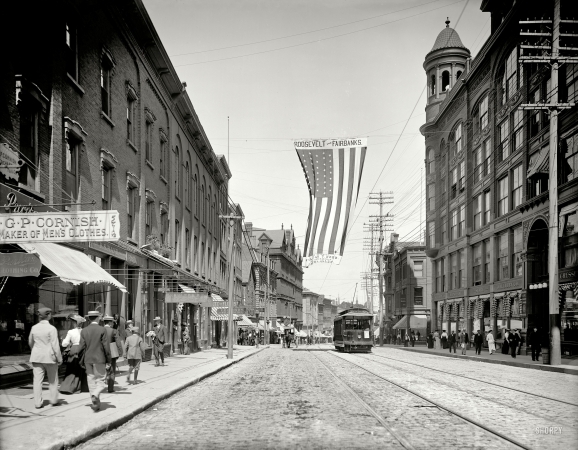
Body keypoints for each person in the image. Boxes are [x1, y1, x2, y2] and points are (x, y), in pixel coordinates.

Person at [29, 308, 62, 408]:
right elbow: (55, 345)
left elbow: (30, 342)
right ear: (48, 315)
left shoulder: (34, 328)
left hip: (36, 357)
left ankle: (38, 403)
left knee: (37, 381)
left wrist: (35, 350)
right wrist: (59, 358)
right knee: (53, 380)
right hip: (50, 358)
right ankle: (53, 400)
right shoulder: (52, 329)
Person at [79, 311, 111, 412]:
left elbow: (81, 347)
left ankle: (96, 404)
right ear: (97, 318)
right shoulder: (102, 329)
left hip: (88, 359)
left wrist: (81, 360)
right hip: (99, 358)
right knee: (101, 380)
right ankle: (95, 394)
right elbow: (106, 346)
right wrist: (108, 360)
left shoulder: (84, 330)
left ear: (89, 319)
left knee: (91, 380)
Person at [60, 314, 89, 394]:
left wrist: (65, 342)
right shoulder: (84, 331)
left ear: (75, 323)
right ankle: (80, 387)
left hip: (74, 349)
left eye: (73, 322)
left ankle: (68, 387)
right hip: (83, 349)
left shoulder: (71, 332)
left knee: (71, 369)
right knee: (81, 369)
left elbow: (64, 344)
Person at [103, 316, 119, 392]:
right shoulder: (113, 331)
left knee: (100, 371)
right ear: (109, 322)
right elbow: (118, 343)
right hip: (111, 353)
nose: (112, 324)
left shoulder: (100, 330)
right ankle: (110, 389)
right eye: (112, 322)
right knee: (112, 371)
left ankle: (98, 389)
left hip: (100, 353)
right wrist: (120, 352)